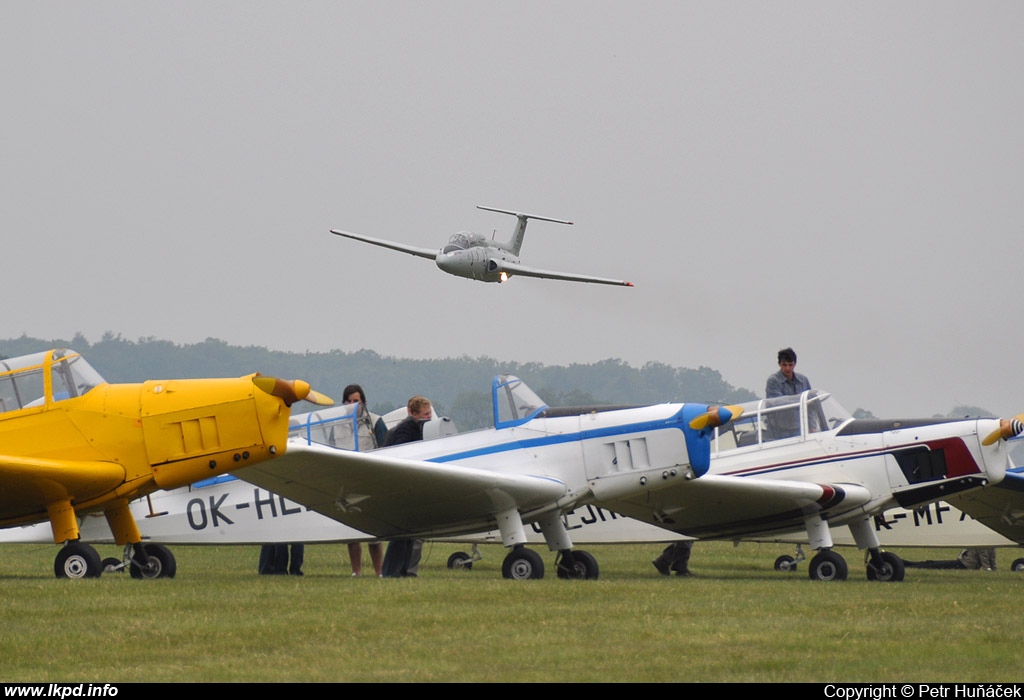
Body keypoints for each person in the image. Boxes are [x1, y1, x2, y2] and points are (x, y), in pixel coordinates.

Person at [380, 396, 433, 578]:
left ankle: (403, 571)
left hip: (406, 487)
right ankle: (390, 572)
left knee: (410, 531)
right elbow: (401, 456)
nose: (429, 417)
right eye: (426, 414)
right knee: (402, 533)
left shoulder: (417, 428)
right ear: (413, 413)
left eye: (430, 413)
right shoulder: (406, 429)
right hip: (397, 487)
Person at [342, 384, 387, 577]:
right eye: (349, 401)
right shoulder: (336, 425)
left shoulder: (376, 422)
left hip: (370, 480)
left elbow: (387, 449)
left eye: (356, 401)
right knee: (352, 532)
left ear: (363, 402)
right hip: (346, 480)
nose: (352, 404)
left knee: (374, 533)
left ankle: (379, 572)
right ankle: (356, 571)